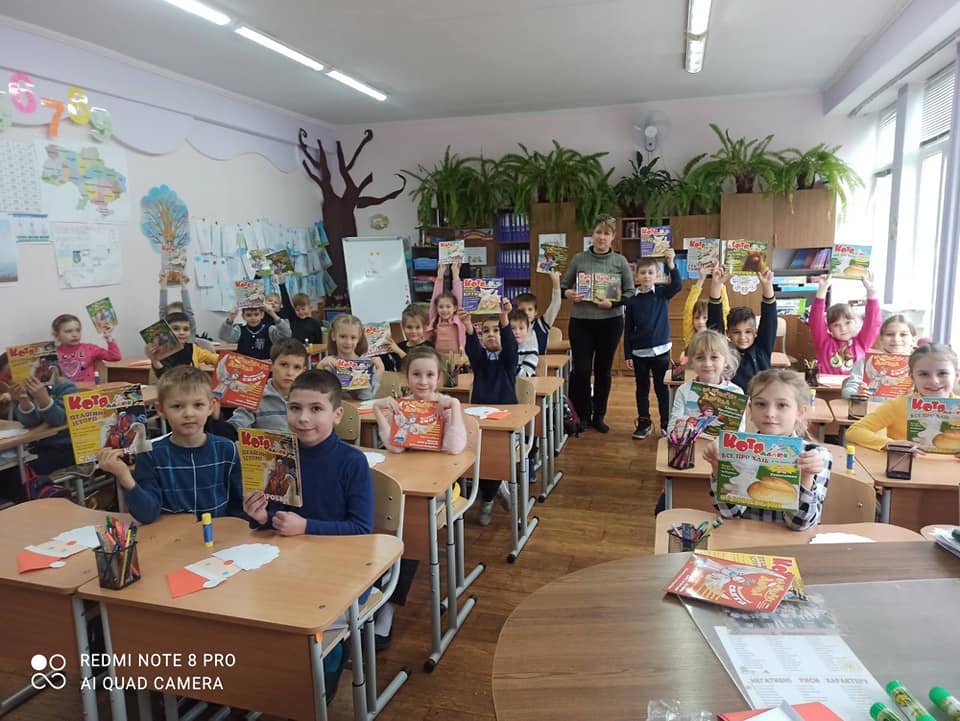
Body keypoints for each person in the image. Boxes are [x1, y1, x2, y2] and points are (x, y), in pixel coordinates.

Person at [242, 369, 373, 701]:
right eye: (295, 408)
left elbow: (361, 528)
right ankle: (266, 677)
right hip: (289, 562)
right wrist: (262, 517)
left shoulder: (352, 462)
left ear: (337, 414)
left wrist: (306, 526)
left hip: (343, 570)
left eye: (316, 409)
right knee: (251, 606)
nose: (303, 418)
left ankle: (329, 666)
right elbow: (278, 515)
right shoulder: (278, 455)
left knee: (316, 621)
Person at [371, 345, 467, 649]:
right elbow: (395, 447)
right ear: (406, 377)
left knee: (408, 531)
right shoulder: (404, 406)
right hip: (405, 483)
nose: (423, 382)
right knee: (380, 521)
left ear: (439, 378)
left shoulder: (447, 405)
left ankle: (388, 607)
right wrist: (381, 411)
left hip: (439, 489)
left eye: (429, 375)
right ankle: (371, 594)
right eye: (416, 375)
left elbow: (455, 447)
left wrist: (454, 407)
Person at [97, 366, 244, 524]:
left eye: (198, 405)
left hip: (218, 534)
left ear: (211, 407)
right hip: (172, 535)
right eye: (177, 406)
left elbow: (239, 507)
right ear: (160, 410)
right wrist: (125, 477)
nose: (188, 414)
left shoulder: (227, 450)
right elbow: (147, 515)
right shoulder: (150, 455)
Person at [703, 369, 832, 530]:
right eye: (761, 404)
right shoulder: (738, 449)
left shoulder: (817, 456)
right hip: (745, 538)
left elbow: (800, 524)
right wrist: (717, 466)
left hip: (792, 543)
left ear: (800, 412)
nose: (770, 413)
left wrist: (806, 476)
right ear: (750, 410)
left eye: (782, 405)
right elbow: (730, 513)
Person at [560, 214, 635, 433]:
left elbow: (630, 293)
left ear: (613, 237)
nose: (602, 237)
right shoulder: (579, 259)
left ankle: (599, 415)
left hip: (610, 323)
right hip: (581, 322)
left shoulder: (620, 261)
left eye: (606, 233)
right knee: (582, 370)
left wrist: (612, 304)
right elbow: (564, 286)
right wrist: (569, 293)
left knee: (603, 371)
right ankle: (582, 414)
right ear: (592, 234)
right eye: (598, 232)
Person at [461, 299, 517, 525]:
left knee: (493, 456)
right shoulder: (480, 360)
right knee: (479, 457)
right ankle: (494, 491)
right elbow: (473, 349)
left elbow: (511, 346)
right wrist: (467, 325)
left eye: (496, 330)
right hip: (480, 419)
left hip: (505, 420)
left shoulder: (508, 360)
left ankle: (488, 499)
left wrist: (504, 317)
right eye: (485, 331)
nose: (491, 334)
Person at [846, 343, 960, 452]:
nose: (934, 381)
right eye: (924, 374)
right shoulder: (898, 405)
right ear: (912, 377)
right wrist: (888, 443)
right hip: (905, 463)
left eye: (942, 373)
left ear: (956, 375)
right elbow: (854, 431)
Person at [624, 249, 682, 438]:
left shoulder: (662, 293)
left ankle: (666, 424)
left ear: (657, 275)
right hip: (639, 353)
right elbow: (628, 330)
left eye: (650, 272)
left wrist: (671, 264)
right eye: (643, 273)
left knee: (661, 389)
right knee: (642, 390)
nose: (647, 276)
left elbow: (678, 285)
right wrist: (627, 354)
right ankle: (644, 423)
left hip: (661, 352)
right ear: (637, 277)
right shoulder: (632, 301)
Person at [706, 265, 777, 391]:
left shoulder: (762, 349)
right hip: (729, 402)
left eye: (748, 332)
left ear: (755, 332)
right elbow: (714, 322)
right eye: (736, 332)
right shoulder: (724, 350)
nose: (742, 337)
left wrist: (767, 285)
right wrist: (716, 285)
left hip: (758, 400)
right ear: (728, 333)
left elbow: (769, 319)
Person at [668, 329, 744, 432]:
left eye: (714, 357)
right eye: (700, 358)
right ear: (691, 362)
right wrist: (678, 430)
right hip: (690, 441)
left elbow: (740, 432)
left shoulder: (736, 392)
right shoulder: (684, 390)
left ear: (725, 361)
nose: (707, 364)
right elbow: (671, 429)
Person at [229, 338, 308, 432]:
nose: (290, 373)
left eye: (297, 367)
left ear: (303, 371)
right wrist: (217, 419)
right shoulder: (254, 396)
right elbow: (235, 427)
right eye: (284, 365)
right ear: (271, 365)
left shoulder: (308, 398)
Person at [810, 272, 881, 374]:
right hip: (826, 384)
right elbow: (815, 321)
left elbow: (873, 324)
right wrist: (822, 290)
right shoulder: (824, 342)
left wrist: (872, 294)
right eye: (836, 325)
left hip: (854, 384)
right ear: (829, 329)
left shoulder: (862, 342)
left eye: (847, 323)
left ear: (856, 323)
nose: (843, 328)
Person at [11, 367, 77, 475]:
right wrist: (24, 402)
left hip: (64, 446)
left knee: (19, 472)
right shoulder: (20, 389)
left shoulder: (64, 386)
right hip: (35, 447)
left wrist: (43, 398)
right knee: (12, 468)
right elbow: (30, 423)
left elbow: (58, 421)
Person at [841, 314, 917, 399]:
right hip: (870, 406)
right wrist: (857, 394)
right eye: (889, 334)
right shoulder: (867, 360)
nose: (896, 339)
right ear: (881, 339)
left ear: (913, 340)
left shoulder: (920, 363)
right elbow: (847, 391)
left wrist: (919, 394)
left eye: (903, 334)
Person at [317, 314, 384, 400]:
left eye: (353, 337)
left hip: (359, 406)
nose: (348, 342)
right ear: (333, 336)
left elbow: (367, 397)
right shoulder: (329, 364)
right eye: (343, 336)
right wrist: (320, 367)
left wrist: (379, 371)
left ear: (359, 338)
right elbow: (319, 394)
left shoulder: (367, 364)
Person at [52, 313, 121, 384]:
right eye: (68, 331)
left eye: (78, 330)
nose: (75, 335)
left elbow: (115, 357)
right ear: (56, 334)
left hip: (89, 389)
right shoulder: (53, 353)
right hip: (65, 390)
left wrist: (109, 339)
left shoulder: (89, 348)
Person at [147, 311, 219, 377]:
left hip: (192, 386)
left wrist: (225, 359)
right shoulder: (161, 353)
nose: (182, 332)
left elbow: (214, 358)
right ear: (167, 332)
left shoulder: (193, 349)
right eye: (176, 329)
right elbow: (165, 379)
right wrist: (155, 361)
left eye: (186, 329)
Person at [158, 272, 215, 351]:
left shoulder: (189, 336)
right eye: (171, 318)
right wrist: (163, 284)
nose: (181, 332)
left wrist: (183, 284)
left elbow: (189, 311)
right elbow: (162, 310)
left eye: (179, 317)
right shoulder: (167, 337)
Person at [219, 304, 291, 361]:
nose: (253, 318)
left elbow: (287, 335)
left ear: (262, 315)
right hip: (243, 367)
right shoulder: (239, 329)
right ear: (243, 316)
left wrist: (272, 314)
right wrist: (230, 318)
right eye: (248, 315)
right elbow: (224, 337)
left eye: (256, 314)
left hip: (264, 367)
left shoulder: (269, 329)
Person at [514, 270, 562, 355]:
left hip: (539, 361)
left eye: (530, 309)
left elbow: (555, 305)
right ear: (516, 311)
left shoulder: (541, 324)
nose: (526, 313)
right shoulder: (512, 326)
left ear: (535, 312)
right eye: (522, 310)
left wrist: (556, 283)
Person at [683, 272, 730, 348]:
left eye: (705, 318)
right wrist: (701, 278)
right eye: (697, 318)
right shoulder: (690, 336)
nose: (700, 322)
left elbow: (724, 310)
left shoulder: (719, 335)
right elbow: (689, 308)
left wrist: (719, 283)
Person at [277, 274, 325, 345]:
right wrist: (282, 285)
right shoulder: (294, 318)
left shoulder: (316, 323)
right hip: (296, 350)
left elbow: (319, 342)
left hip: (311, 351)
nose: (301, 312)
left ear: (309, 308)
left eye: (303, 309)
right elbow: (286, 303)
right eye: (298, 310)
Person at [509, 309, 539, 378]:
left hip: (525, 384)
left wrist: (507, 364)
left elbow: (525, 375)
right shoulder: (502, 348)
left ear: (527, 330)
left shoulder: (531, 352)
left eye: (521, 328)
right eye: (512, 328)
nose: (517, 332)